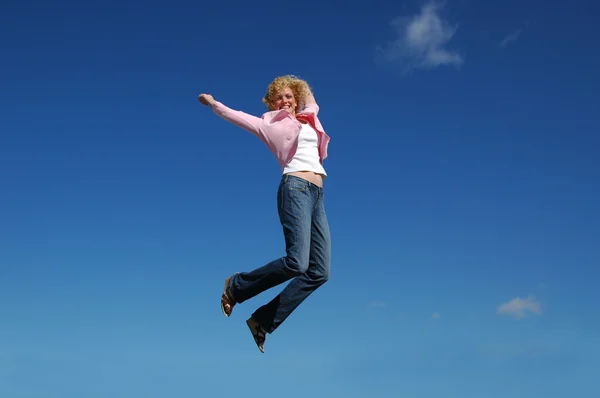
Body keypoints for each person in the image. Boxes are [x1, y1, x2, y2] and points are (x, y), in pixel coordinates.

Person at [197, 75, 331, 353]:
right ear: (272, 102)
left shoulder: (308, 116)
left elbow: (310, 98)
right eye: (279, 97)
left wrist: (299, 86)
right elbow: (237, 116)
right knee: (297, 262)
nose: (285, 101)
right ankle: (236, 286)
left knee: (319, 271)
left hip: (317, 195)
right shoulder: (267, 124)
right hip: (295, 188)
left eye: (289, 96)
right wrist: (214, 104)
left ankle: (262, 321)